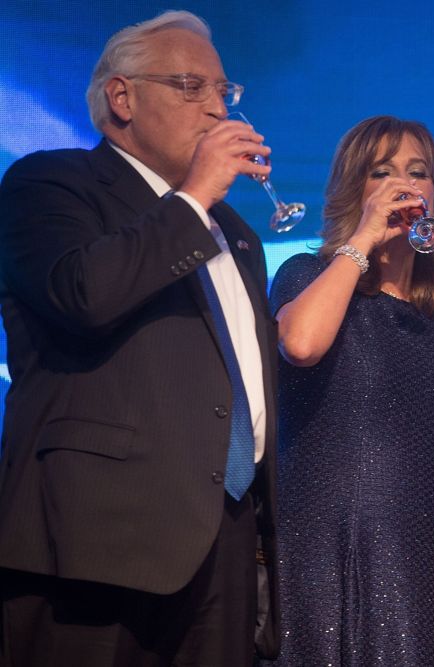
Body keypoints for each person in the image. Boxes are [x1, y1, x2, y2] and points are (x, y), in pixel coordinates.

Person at [0, 11, 280, 666]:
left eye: (225, 92)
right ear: (122, 98)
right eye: (191, 87)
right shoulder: (50, 184)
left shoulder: (237, 233)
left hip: (226, 543)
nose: (217, 108)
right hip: (98, 544)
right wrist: (194, 195)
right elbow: (84, 294)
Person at [268, 115, 434, 665]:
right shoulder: (304, 274)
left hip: (422, 562)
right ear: (354, 189)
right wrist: (362, 239)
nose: (404, 186)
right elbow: (303, 344)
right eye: (382, 172)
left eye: (418, 172)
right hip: (326, 559)